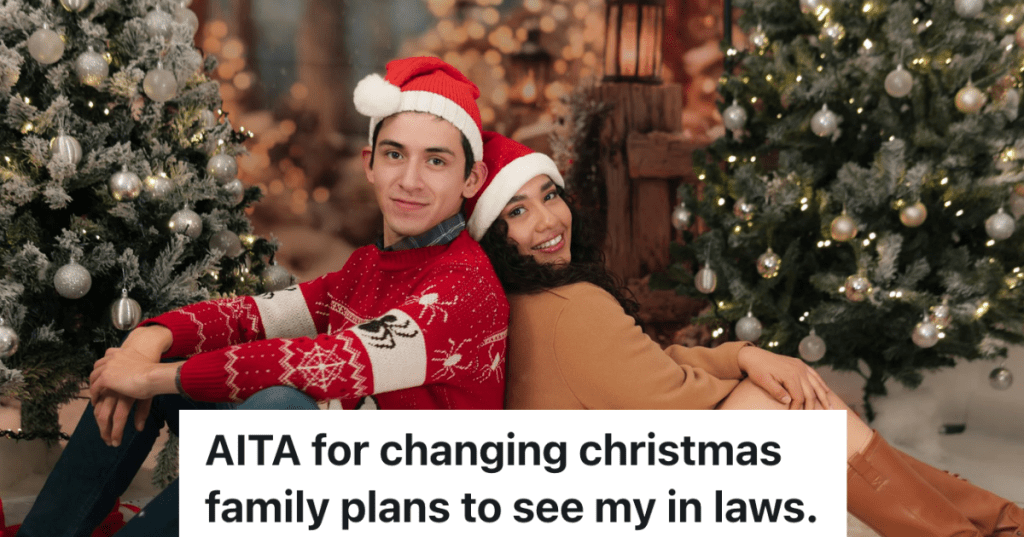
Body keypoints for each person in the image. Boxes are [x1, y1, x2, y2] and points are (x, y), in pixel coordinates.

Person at [18, 57, 509, 537]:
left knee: (283, 410)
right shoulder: (369, 267)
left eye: (436, 161)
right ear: (370, 164)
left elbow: (328, 363)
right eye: (395, 154)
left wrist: (149, 377)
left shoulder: (465, 287)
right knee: (169, 358)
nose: (409, 179)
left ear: (472, 179)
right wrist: (152, 338)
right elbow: (255, 314)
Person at [466, 131, 1022, 537]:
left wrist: (743, 357)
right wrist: (754, 378)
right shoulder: (573, 307)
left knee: (796, 406)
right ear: (492, 233)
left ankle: (996, 524)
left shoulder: (527, 300)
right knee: (787, 405)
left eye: (550, 196)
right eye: (518, 211)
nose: (548, 220)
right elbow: (671, 401)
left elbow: (644, 367)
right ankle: (993, 524)